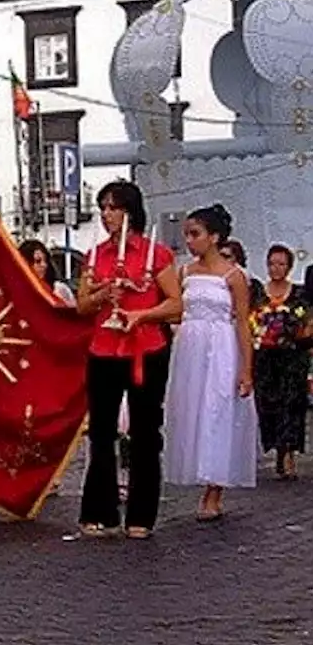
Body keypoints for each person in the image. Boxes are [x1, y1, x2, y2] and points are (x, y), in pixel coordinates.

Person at [75, 180, 181, 539]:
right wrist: (105, 292)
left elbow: (175, 304)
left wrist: (142, 316)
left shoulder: (156, 254)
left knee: (145, 431)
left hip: (146, 348)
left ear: (130, 211)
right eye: (103, 208)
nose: (107, 216)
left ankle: (142, 515)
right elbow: (82, 304)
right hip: (104, 348)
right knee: (102, 431)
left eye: (114, 208)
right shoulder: (96, 256)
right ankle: (99, 510)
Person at [163, 205, 257, 519]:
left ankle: (215, 488)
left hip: (221, 347)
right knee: (194, 411)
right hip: (191, 347)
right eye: (187, 235)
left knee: (217, 411)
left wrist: (246, 368)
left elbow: (243, 322)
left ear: (214, 237)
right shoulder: (185, 272)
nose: (189, 241)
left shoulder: (234, 276)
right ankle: (198, 471)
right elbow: (176, 310)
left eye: (195, 234)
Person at [253, 243, 311, 480]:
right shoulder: (259, 294)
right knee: (268, 403)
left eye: (281, 264)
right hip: (265, 357)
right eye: (272, 263)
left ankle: (289, 453)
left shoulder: (299, 293)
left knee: (292, 403)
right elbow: (251, 320)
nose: (276, 268)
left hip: (292, 356)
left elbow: (307, 320)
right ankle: (276, 448)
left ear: (289, 267)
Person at [18, 239, 75, 305]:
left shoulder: (61, 290)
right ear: (25, 264)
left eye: (45, 260)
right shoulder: (18, 293)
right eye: (38, 261)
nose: (44, 265)